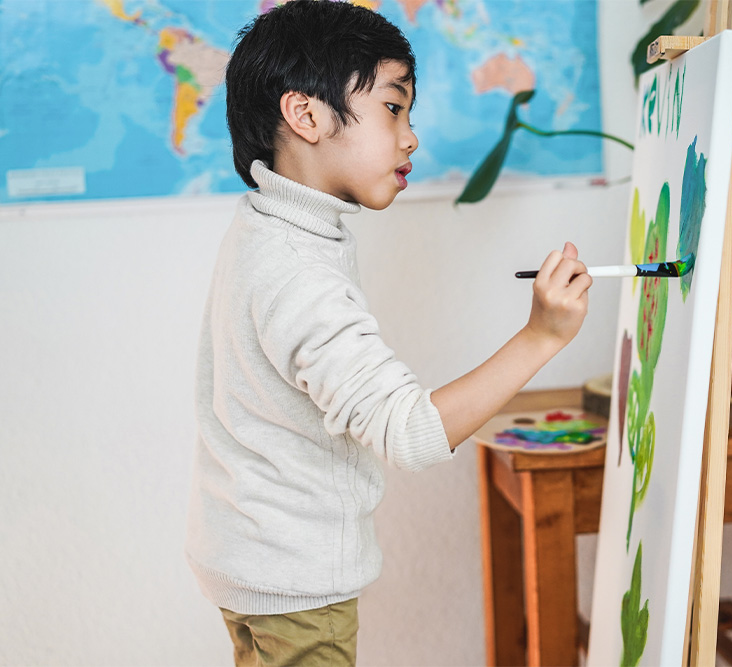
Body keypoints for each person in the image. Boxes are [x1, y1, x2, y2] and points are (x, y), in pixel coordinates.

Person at [185, 1, 592, 665]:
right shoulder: (298, 274)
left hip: (250, 560)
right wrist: (542, 336)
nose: (411, 137)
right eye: (393, 108)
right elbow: (411, 432)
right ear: (306, 115)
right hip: (293, 585)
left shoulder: (268, 228)